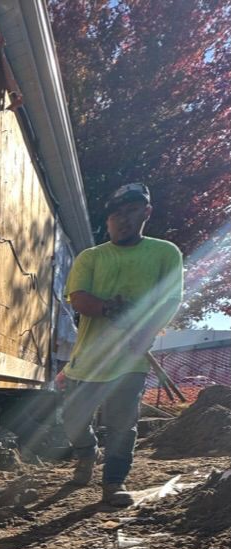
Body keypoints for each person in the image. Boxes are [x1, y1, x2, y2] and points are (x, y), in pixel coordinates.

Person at [62, 183, 183, 506]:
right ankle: (86, 453)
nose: (122, 220)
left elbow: (169, 300)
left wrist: (146, 331)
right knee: (72, 418)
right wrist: (108, 308)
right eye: (116, 214)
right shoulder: (92, 257)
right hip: (87, 358)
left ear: (146, 212)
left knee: (121, 424)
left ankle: (114, 482)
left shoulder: (164, 253)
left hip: (130, 359)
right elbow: (78, 298)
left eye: (131, 211)